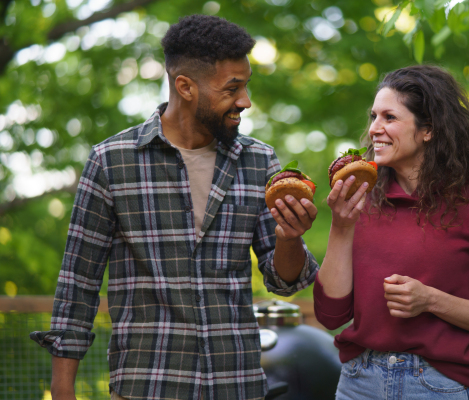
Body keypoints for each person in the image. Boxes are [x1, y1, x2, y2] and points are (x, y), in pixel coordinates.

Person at [30, 15, 319, 400]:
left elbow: (285, 281)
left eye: (246, 86)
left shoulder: (258, 161)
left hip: (237, 383)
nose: (245, 101)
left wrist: (290, 238)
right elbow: (78, 283)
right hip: (147, 384)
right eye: (232, 89)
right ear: (185, 87)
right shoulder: (112, 161)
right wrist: (62, 388)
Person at [314, 65, 469, 399]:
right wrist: (341, 228)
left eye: (389, 117)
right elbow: (330, 315)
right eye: (373, 117)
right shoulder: (360, 201)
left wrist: (430, 300)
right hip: (359, 382)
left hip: (435, 385)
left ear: (427, 130)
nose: (374, 129)